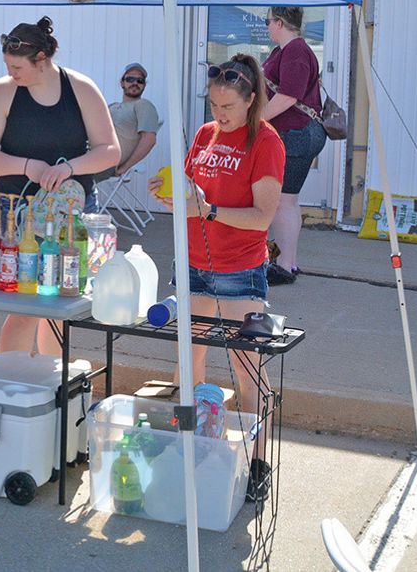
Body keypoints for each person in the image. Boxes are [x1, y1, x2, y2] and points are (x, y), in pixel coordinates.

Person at [149, 54, 284, 503]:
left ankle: (260, 462)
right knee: (190, 362)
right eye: (213, 106)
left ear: (250, 101)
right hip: (193, 267)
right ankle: (194, 449)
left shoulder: (266, 142)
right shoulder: (206, 135)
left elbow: (262, 217)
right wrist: (171, 194)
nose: (218, 116)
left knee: (249, 374)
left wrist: (206, 210)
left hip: (240, 273)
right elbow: (191, 191)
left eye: (227, 107)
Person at [0, 17, 119, 355]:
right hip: (18, 213)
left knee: (62, 303)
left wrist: (69, 168)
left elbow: (109, 151)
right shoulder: (2, 92)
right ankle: (13, 378)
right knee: (24, 304)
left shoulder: (80, 87)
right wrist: (26, 166)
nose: (12, 73)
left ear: (42, 60)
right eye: (7, 66)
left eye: (17, 66)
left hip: (71, 211)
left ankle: (52, 377)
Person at [261, 6, 327, 285]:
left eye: (268, 22)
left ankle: (285, 266)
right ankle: (287, 261)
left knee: (283, 201)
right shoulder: (287, 51)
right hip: (297, 133)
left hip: (297, 134)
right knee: (287, 201)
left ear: (279, 22)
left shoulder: (296, 51)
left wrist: (255, 121)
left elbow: (289, 96)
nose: (266, 27)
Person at [96, 62, 159, 181]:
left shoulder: (143, 105)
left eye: (140, 80)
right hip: (87, 153)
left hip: (104, 162)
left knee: (64, 173)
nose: (135, 83)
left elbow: (149, 140)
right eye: (130, 79)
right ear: (122, 83)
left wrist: (124, 167)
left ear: (144, 85)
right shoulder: (113, 106)